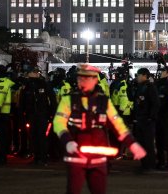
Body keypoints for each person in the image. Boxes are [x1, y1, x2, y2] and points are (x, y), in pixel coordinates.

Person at [53, 63, 146, 194]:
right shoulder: (68, 100)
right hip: (76, 155)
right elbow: (58, 122)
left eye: (87, 78)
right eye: (80, 78)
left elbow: (118, 125)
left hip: (98, 158)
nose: (83, 81)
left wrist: (132, 144)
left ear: (95, 80)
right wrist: (67, 140)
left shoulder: (104, 102)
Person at [21, 67, 57, 166]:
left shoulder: (44, 84)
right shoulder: (27, 85)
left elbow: (52, 99)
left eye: (36, 72)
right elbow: (23, 100)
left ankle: (43, 158)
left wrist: (52, 113)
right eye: (32, 72)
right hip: (31, 114)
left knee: (42, 136)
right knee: (33, 136)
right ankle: (36, 158)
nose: (34, 74)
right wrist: (23, 113)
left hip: (42, 114)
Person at [131, 68, 159, 172]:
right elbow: (133, 100)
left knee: (148, 143)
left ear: (144, 75)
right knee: (140, 142)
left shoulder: (150, 87)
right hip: (139, 119)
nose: (137, 77)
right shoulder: (139, 87)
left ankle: (149, 164)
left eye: (138, 75)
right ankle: (144, 163)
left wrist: (151, 117)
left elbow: (155, 103)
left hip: (147, 120)